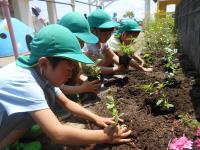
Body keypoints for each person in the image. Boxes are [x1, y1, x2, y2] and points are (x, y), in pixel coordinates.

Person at [0, 24, 131, 149]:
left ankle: (12, 142)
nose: (70, 75)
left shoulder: (41, 71)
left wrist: (97, 118)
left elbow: (66, 103)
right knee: (35, 114)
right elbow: (58, 134)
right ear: (44, 63)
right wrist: (106, 136)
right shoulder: (25, 82)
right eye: (68, 70)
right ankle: (7, 145)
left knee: (40, 107)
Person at [84, 9, 152, 74]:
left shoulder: (103, 43)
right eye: (105, 34)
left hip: (99, 69)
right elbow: (90, 68)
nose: (107, 37)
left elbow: (113, 56)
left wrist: (122, 65)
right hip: (88, 75)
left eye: (110, 33)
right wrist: (115, 69)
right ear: (92, 31)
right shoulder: (87, 46)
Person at [58, 12, 101, 95]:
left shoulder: (76, 54)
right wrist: (82, 88)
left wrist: (88, 82)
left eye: (83, 41)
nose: (83, 45)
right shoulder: (56, 59)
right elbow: (59, 88)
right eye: (80, 41)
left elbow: (79, 74)